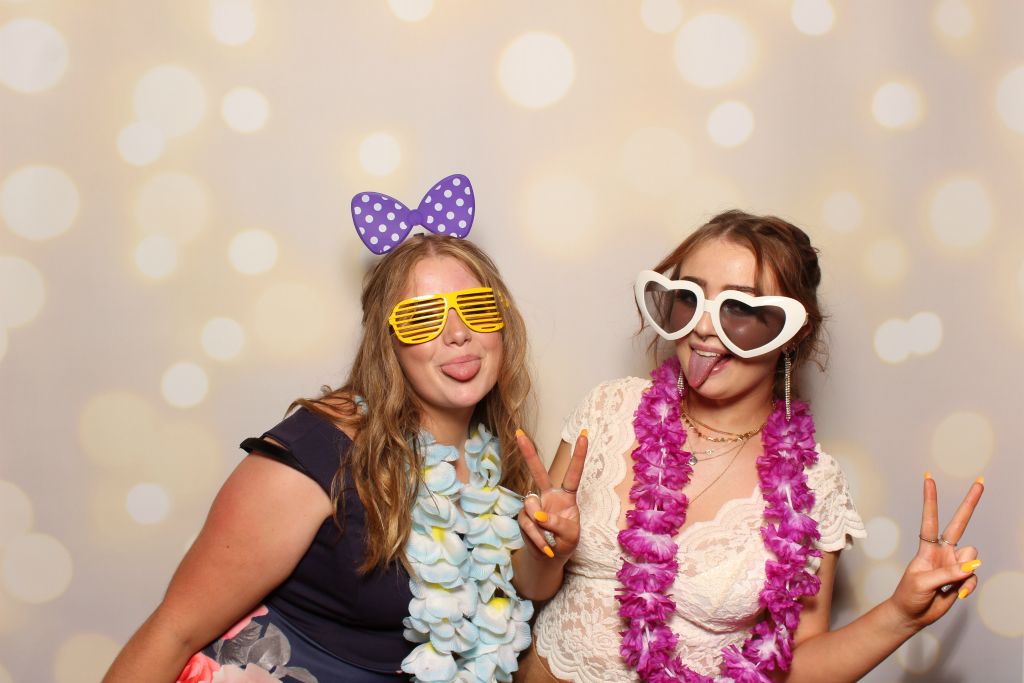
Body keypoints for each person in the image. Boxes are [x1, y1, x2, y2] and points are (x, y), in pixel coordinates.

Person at [513, 210, 984, 682]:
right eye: (688, 298)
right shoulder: (609, 409)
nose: (703, 327)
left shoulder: (811, 488)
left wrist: (900, 615)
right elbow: (530, 588)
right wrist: (547, 550)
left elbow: (794, 665)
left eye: (739, 309)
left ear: (793, 333)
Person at [104, 181, 541, 682]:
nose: (458, 333)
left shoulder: (497, 460)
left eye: (478, 308)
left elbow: (514, 596)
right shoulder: (316, 455)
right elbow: (173, 631)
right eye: (423, 318)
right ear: (387, 341)